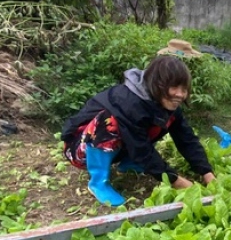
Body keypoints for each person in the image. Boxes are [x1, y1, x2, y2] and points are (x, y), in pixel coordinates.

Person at [60, 54, 215, 206]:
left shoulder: (165, 104)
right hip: (78, 150)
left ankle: (128, 163)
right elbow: (141, 149)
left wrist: (207, 173)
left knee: (162, 121)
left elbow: (187, 140)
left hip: (123, 147)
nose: (180, 94)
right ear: (157, 83)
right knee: (110, 122)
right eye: (174, 87)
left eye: (184, 89)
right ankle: (98, 182)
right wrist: (176, 180)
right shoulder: (129, 103)